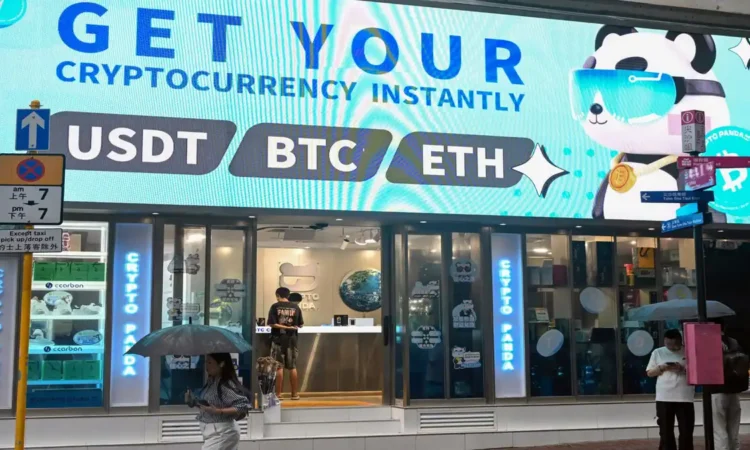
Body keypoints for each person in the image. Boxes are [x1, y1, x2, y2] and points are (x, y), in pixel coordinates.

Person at [185, 353, 251, 450]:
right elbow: (209, 406)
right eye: (206, 362)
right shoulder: (211, 382)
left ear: (221, 364)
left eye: (210, 362)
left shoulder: (225, 385)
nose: (206, 365)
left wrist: (219, 411)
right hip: (211, 433)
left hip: (223, 433)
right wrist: (193, 402)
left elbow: (243, 405)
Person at [646, 329, 695, 450]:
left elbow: (697, 372)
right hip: (664, 396)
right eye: (668, 344)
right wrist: (662, 367)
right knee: (665, 431)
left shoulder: (689, 351)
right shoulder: (658, 352)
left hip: (685, 396)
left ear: (680, 341)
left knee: (686, 430)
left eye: (674, 345)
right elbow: (650, 373)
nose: (671, 347)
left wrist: (682, 369)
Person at [710, 320, 749, 450]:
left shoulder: (710, 343)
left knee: (719, 428)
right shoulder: (734, 342)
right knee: (733, 428)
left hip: (717, 390)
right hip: (734, 390)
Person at [268, 287, 304, 400]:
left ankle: (278, 395)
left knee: (278, 367)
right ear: (288, 296)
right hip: (291, 340)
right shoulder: (296, 307)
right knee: (292, 367)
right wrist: (290, 327)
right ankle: (294, 394)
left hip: (278, 339)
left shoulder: (275, 306)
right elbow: (300, 324)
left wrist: (284, 327)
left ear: (278, 295)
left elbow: (272, 324)